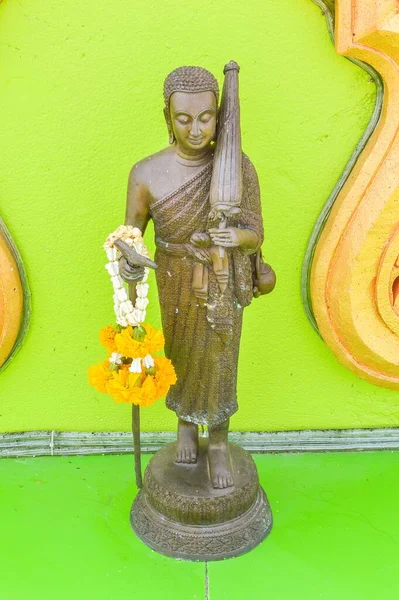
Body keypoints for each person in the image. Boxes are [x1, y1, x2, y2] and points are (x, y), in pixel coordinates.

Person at [119, 66, 264, 489]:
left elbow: (256, 233)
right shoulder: (145, 173)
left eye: (206, 118)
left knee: (220, 357)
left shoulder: (236, 168)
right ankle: (184, 423)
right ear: (167, 119)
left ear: (219, 117)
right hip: (176, 275)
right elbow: (130, 236)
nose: (196, 129)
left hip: (220, 276)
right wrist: (129, 260)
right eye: (184, 119)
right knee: (181, 352)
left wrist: (238, 235)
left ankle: (218, 439)